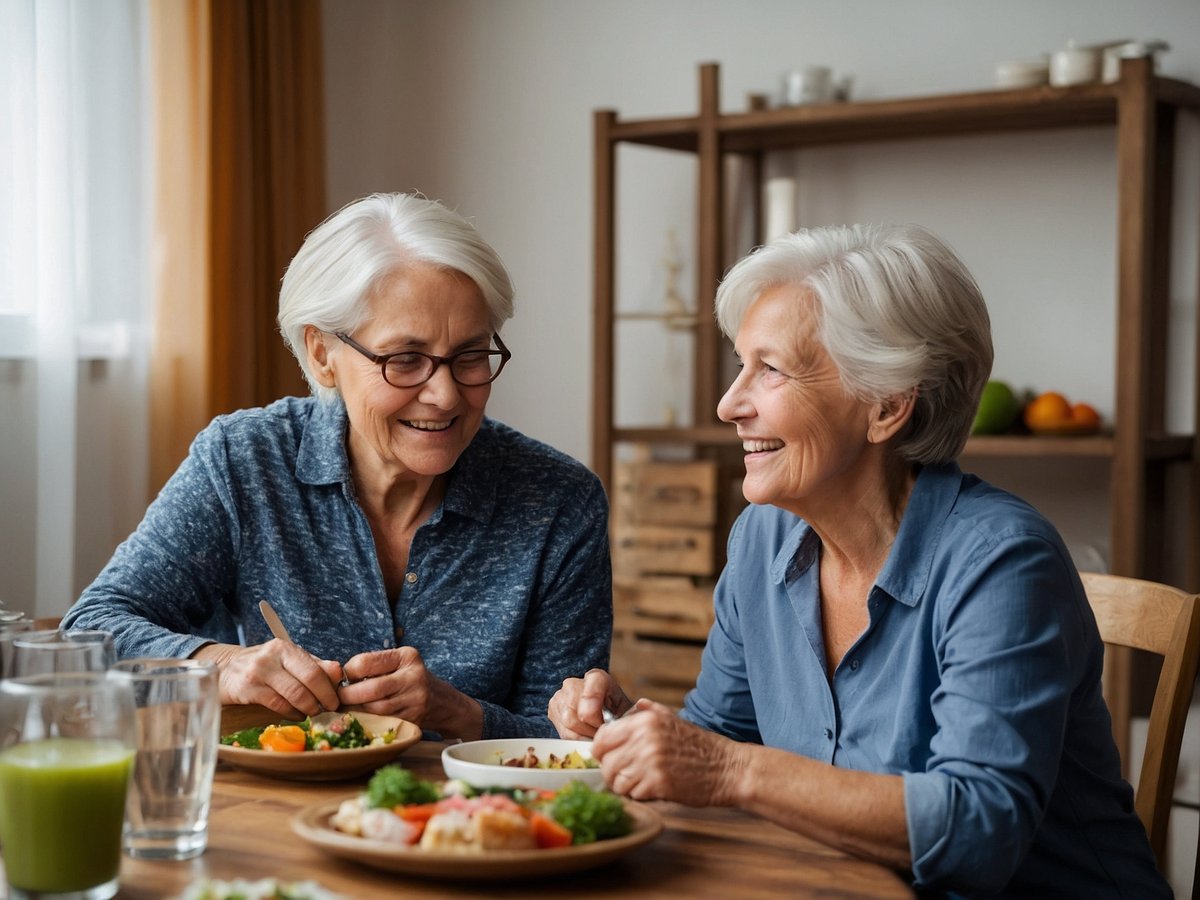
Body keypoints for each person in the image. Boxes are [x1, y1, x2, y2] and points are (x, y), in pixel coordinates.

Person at [549, 224, 1169, 897]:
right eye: (739, 364)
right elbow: (720, 734)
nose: (730, 404)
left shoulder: (1003, 563)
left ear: (886, 407)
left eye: (771, 369)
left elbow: (979, 831)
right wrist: (632, 730)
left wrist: (729, 771)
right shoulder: (762, 540)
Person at [64, 192, 612, 740]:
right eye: (405, 360)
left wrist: (456, 713)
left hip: (475, 820)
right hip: (271, 813)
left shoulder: (558, 501)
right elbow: (89, 634)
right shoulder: (245, 461)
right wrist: (222, 664)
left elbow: (571, 741)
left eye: (470, 356)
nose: (445, 395)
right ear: (323, 355)